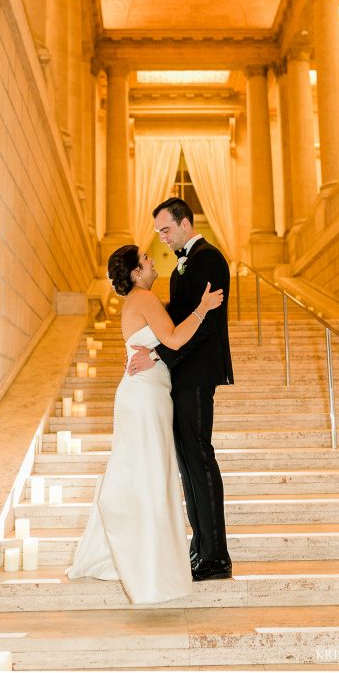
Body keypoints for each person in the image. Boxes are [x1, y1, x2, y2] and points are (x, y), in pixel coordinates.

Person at [66, 244, 223, 604]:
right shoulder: (144, 298)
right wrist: (203, 308)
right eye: (147, 259)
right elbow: (174, 338)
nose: (153, 261)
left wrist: (153, 354)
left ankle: (138, 549)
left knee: (146, 471)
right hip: (145, 396)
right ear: (137, 272)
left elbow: (161, 345)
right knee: (150, 473)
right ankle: (148, 561)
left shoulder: (139, 300)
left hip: (144, 393)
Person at [128, 197, 233, 582]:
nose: (161, 237)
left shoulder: (208, 259)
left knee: (200, 459)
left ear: (185, 224)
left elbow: (205, 325)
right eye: (158, 232)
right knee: (188, 464)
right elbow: (175, 320)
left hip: (198, 374)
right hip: (180, 377)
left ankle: (217, 556)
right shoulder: (180, 267)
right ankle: (200, 547)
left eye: (166, 230)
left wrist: (158, 356)